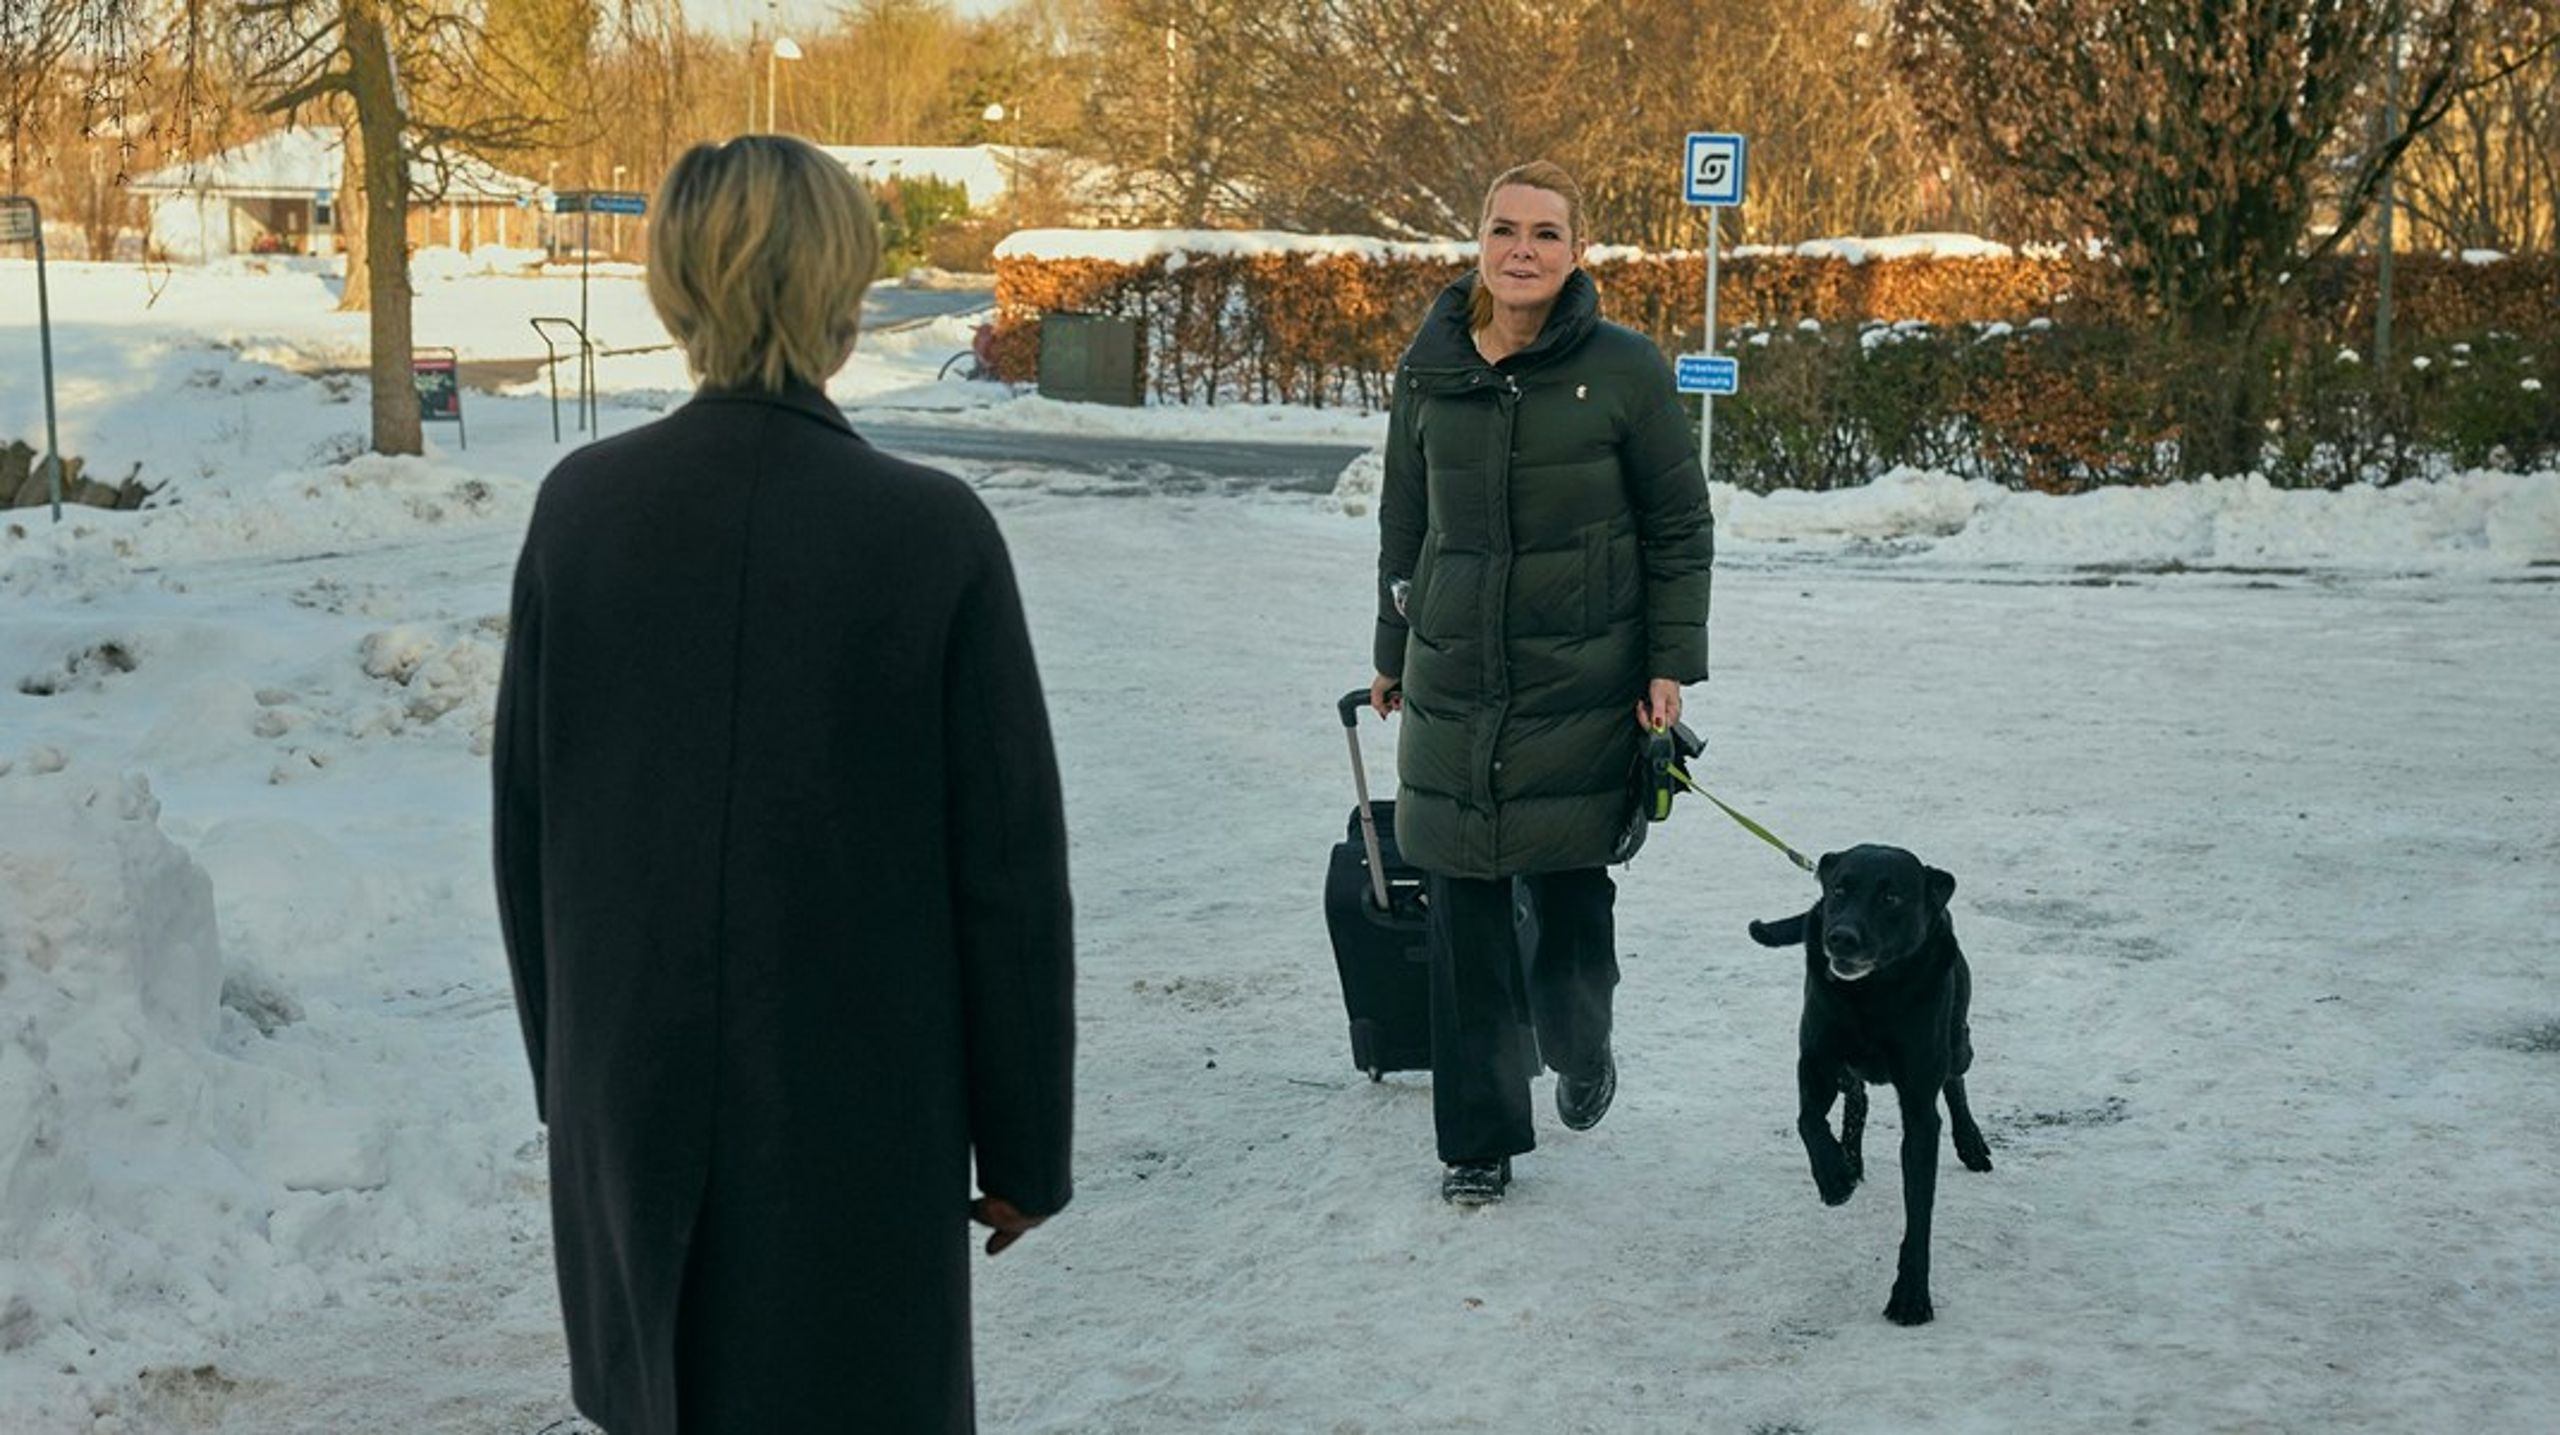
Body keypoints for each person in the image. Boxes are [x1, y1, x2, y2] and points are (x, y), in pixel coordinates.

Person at [493, 134, 1074, 1434]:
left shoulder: (582, 511)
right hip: (861, 1104)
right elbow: (1008, 872)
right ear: (846, 289)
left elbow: (530, 834)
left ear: (674, 282)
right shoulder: (929, 531)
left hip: (633, 1096)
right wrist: (1024, 1144)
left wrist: (573, 1080)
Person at [1369, 160, 1713, 1206]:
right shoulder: (1428, 368)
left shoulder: (1625, 368)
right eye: (1505, 229)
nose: (1522, 249)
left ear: (1576, 253)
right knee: (1462, 905)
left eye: (1545, 234)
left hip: (1581, 671)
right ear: (1478, 241)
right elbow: (1402, 522)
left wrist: (1666, 662)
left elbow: (1676, 525)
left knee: (1568, 898)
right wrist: (1388, 650)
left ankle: (1580, 1042)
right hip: (1454, 674)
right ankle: (1477, 1139)